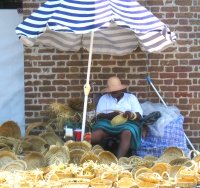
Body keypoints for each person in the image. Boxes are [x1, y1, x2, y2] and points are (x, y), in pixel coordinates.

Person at [90, 76, 143, 158]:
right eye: (112, 91)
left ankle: (118, 161)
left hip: (126, 123)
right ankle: (88, 153)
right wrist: (111, 115)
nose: (114, 92)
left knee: (127, 132)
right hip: (107, 124)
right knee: (97, 134)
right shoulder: (104, 98)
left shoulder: (131, 98)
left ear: (121, 89)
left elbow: (139, 115)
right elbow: (99, 115)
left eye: (116, 90)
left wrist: (130, 115)